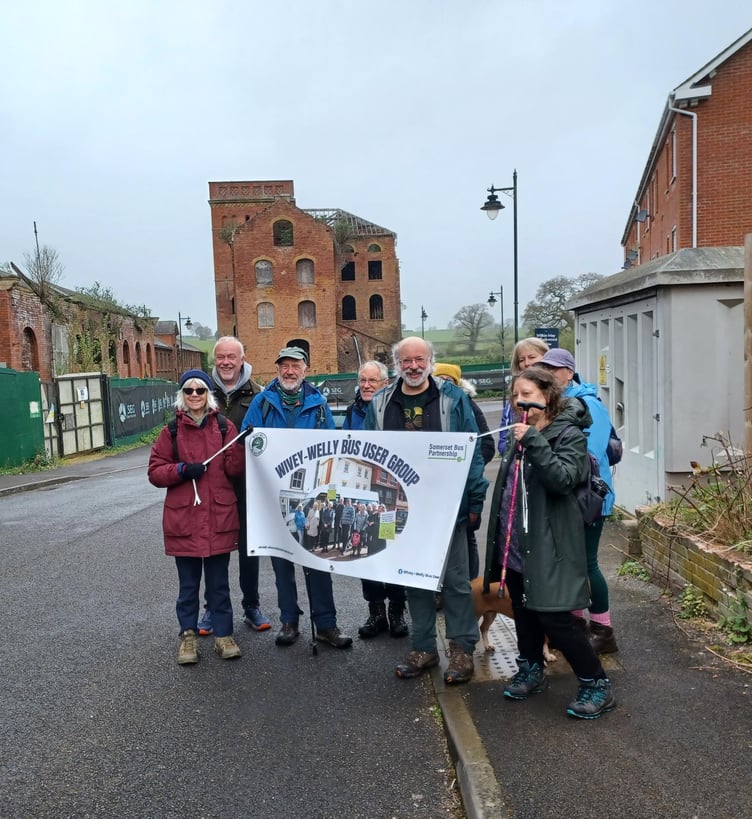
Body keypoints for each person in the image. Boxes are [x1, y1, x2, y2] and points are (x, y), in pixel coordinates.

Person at [482, 365, 616, 719]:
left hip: (551, 545)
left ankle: (596, 683)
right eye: (515, 396)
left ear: (548, 396)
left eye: (528, 395)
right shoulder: (521, 434)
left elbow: (563, 479)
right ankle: (530, 669)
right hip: (515, 543)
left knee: (556, 619)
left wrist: (535, 442)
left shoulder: (568, 434)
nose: (520, 402)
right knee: (524, 613)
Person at [366, 337, 488, 685]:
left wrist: (475, 499)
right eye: (406, 361)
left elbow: (474, 450)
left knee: (455, 582)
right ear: (397, 364)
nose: (414, 366)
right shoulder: (380, 403)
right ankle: (423, 648)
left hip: (447, 507)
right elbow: (367, 453)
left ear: (431, 361)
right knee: (412, 579)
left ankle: (462, 649)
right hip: (398, 508)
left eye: (420, 359)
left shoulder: (453, 399)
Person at [241, 347, 353, 650]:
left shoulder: (318, 404)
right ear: (278, 369)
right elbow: (245, 441)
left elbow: (331, 446)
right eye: (285, 366)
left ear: (306, 369)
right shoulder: (262, 403)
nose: (289, 371)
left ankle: (326, 624)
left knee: (317, 562)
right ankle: (289, 621)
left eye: (296, 366)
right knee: (282, 563)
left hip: (310, 496)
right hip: (274, 496)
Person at [148, 369, 246, 664]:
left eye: (200, 390)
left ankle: (224, 635)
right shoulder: (171, 432)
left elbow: (235, 470)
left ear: (208, 394)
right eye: (188, 391)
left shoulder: (224, 427)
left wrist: (238, 451)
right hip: (185, 520)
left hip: (218, 517)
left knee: (219, 585)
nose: (194, 395)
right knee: (187, 587)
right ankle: (188, 637)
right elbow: (155, 471)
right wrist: (181, 470)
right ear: (182, 395)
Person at [539, 347, 618, 654]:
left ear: (569, 373)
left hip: (589, 498)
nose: (548, 374)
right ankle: (576, 627)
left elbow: (592, 454)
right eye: (544, 368)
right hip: (566, 496)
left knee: (587, 564)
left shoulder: (588, 403)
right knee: (571, 565)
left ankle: (603, 629)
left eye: (553, 369)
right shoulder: (557, 402)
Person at [195, 336, 271, 636]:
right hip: (210, 485)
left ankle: (251, 605)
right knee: (213, 549)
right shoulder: (200, 390)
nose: (226, 362)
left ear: (243, 359)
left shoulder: (259, 394)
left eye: (232, 357)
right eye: (221, 357)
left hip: (246, 484)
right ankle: (211, 608)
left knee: (249, 548)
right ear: (214, 360)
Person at [343, 360, 409, 639]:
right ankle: (376, 612)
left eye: (373, 381)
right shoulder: (353, 411)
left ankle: (396, 611)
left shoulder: (397, 407)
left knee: (391, 550)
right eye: (362, 380)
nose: (367, 386)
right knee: (368, 550)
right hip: (368, 493)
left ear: (385, 383)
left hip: (391, 490)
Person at [433, 362, 495, 579]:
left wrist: (467, 470)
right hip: (438, 488)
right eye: (438, 378)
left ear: (457, 383)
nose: (443, 383)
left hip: (463, 488)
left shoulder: (466, 404)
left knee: (466, 536)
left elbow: (486, 446)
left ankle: (471, 587)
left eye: (448, 380)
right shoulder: (431, 404)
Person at [497, 337, 549, 454]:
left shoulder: (560, 395)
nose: (527, 363)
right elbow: (503, 441)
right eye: (521, 360)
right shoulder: (513, 400)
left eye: (532, 357)